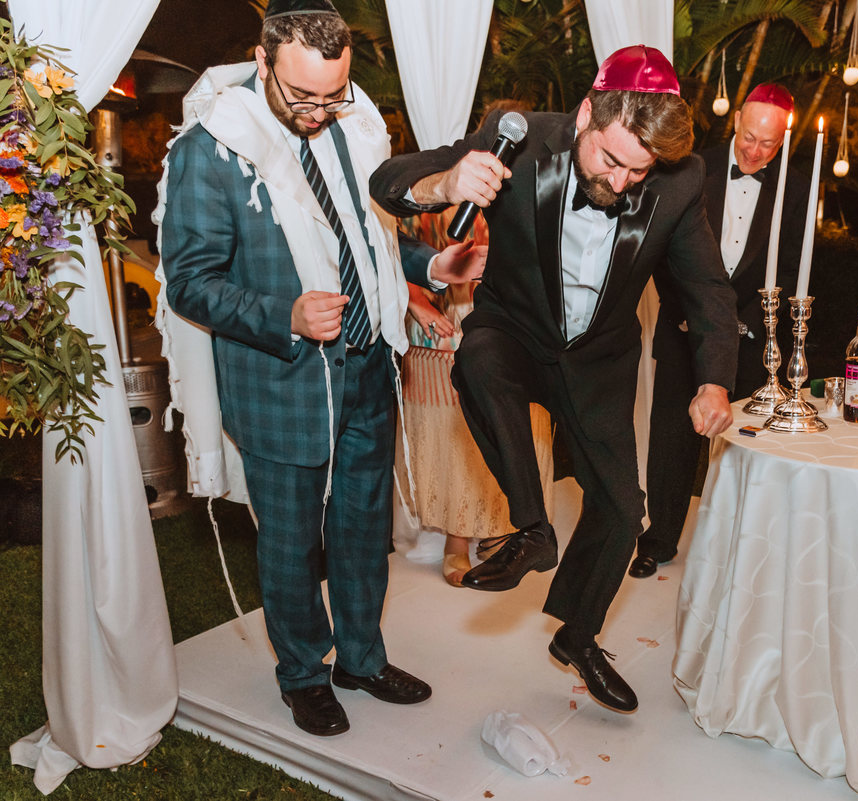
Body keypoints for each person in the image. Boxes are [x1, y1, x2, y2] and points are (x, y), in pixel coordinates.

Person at [369, 45, 738, 712]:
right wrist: (446, 184)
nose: (624, 181)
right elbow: (388, 180)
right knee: (477, 363)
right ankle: (532, 529)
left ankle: (578, 633)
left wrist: (713, 379)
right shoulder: (518, 137)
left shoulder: (680, 183)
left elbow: (707, 288)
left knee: (625, 509)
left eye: (639, 170)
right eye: (611, 160)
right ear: (586, 113)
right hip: (513, 329)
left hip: (599, 356)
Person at [157, 0, 484, 736]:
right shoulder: (212, 147)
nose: (319, 111)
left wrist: (430, 264)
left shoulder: (355, 128)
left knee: (365, 529)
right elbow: (189, 279)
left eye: (333, 94)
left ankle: (362, 659)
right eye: (303, 96)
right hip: (283, 380)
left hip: (368, 367)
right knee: (292, 540)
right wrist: (286, 315)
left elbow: (367, 242)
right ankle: (303, 672)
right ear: (261, 57)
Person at [629, 82, 807, 579]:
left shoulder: (795, 187)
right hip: (683, 325)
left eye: (767, 144)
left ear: (783, 142)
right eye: (749, 137)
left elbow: (790, 266)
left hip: (752, 335)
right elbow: (660, 246)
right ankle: (658, 539)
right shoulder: (693, 168)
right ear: (738, 123)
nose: (754, 151)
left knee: (743, 445)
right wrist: (688, 308)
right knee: (671, 440)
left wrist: (743, 323)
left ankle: (737, 546)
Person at [397, 211, 555, 587]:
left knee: (510, 422)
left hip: (512, 316)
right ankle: (457, 533)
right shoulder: (420, 189)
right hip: (440, 315)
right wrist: (417, 302)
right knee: (456, 426)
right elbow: (392, 250)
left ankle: (508, 526)